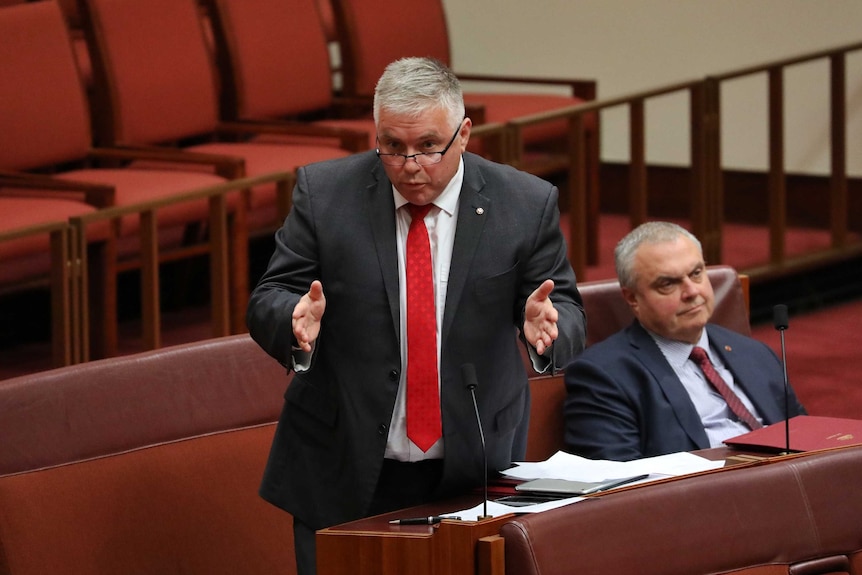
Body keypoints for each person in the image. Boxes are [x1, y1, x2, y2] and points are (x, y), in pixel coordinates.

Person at [246, 57, 586, 575]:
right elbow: (271, 294)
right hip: (343, 461)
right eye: (392, 146)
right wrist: (291, 320)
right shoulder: (324, 193)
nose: (410, 165)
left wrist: (549, 330)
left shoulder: (524, 203)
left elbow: (566, 310)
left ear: (464, 134)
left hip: (472, 464)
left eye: (429, 146)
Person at [563, 221, 805, 461]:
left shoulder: (754, 353)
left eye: (696, 273)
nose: (692, 292)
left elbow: (807, 439)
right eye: (668, 284)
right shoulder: (604, 375)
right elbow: (618, 483)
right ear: (632, 297)